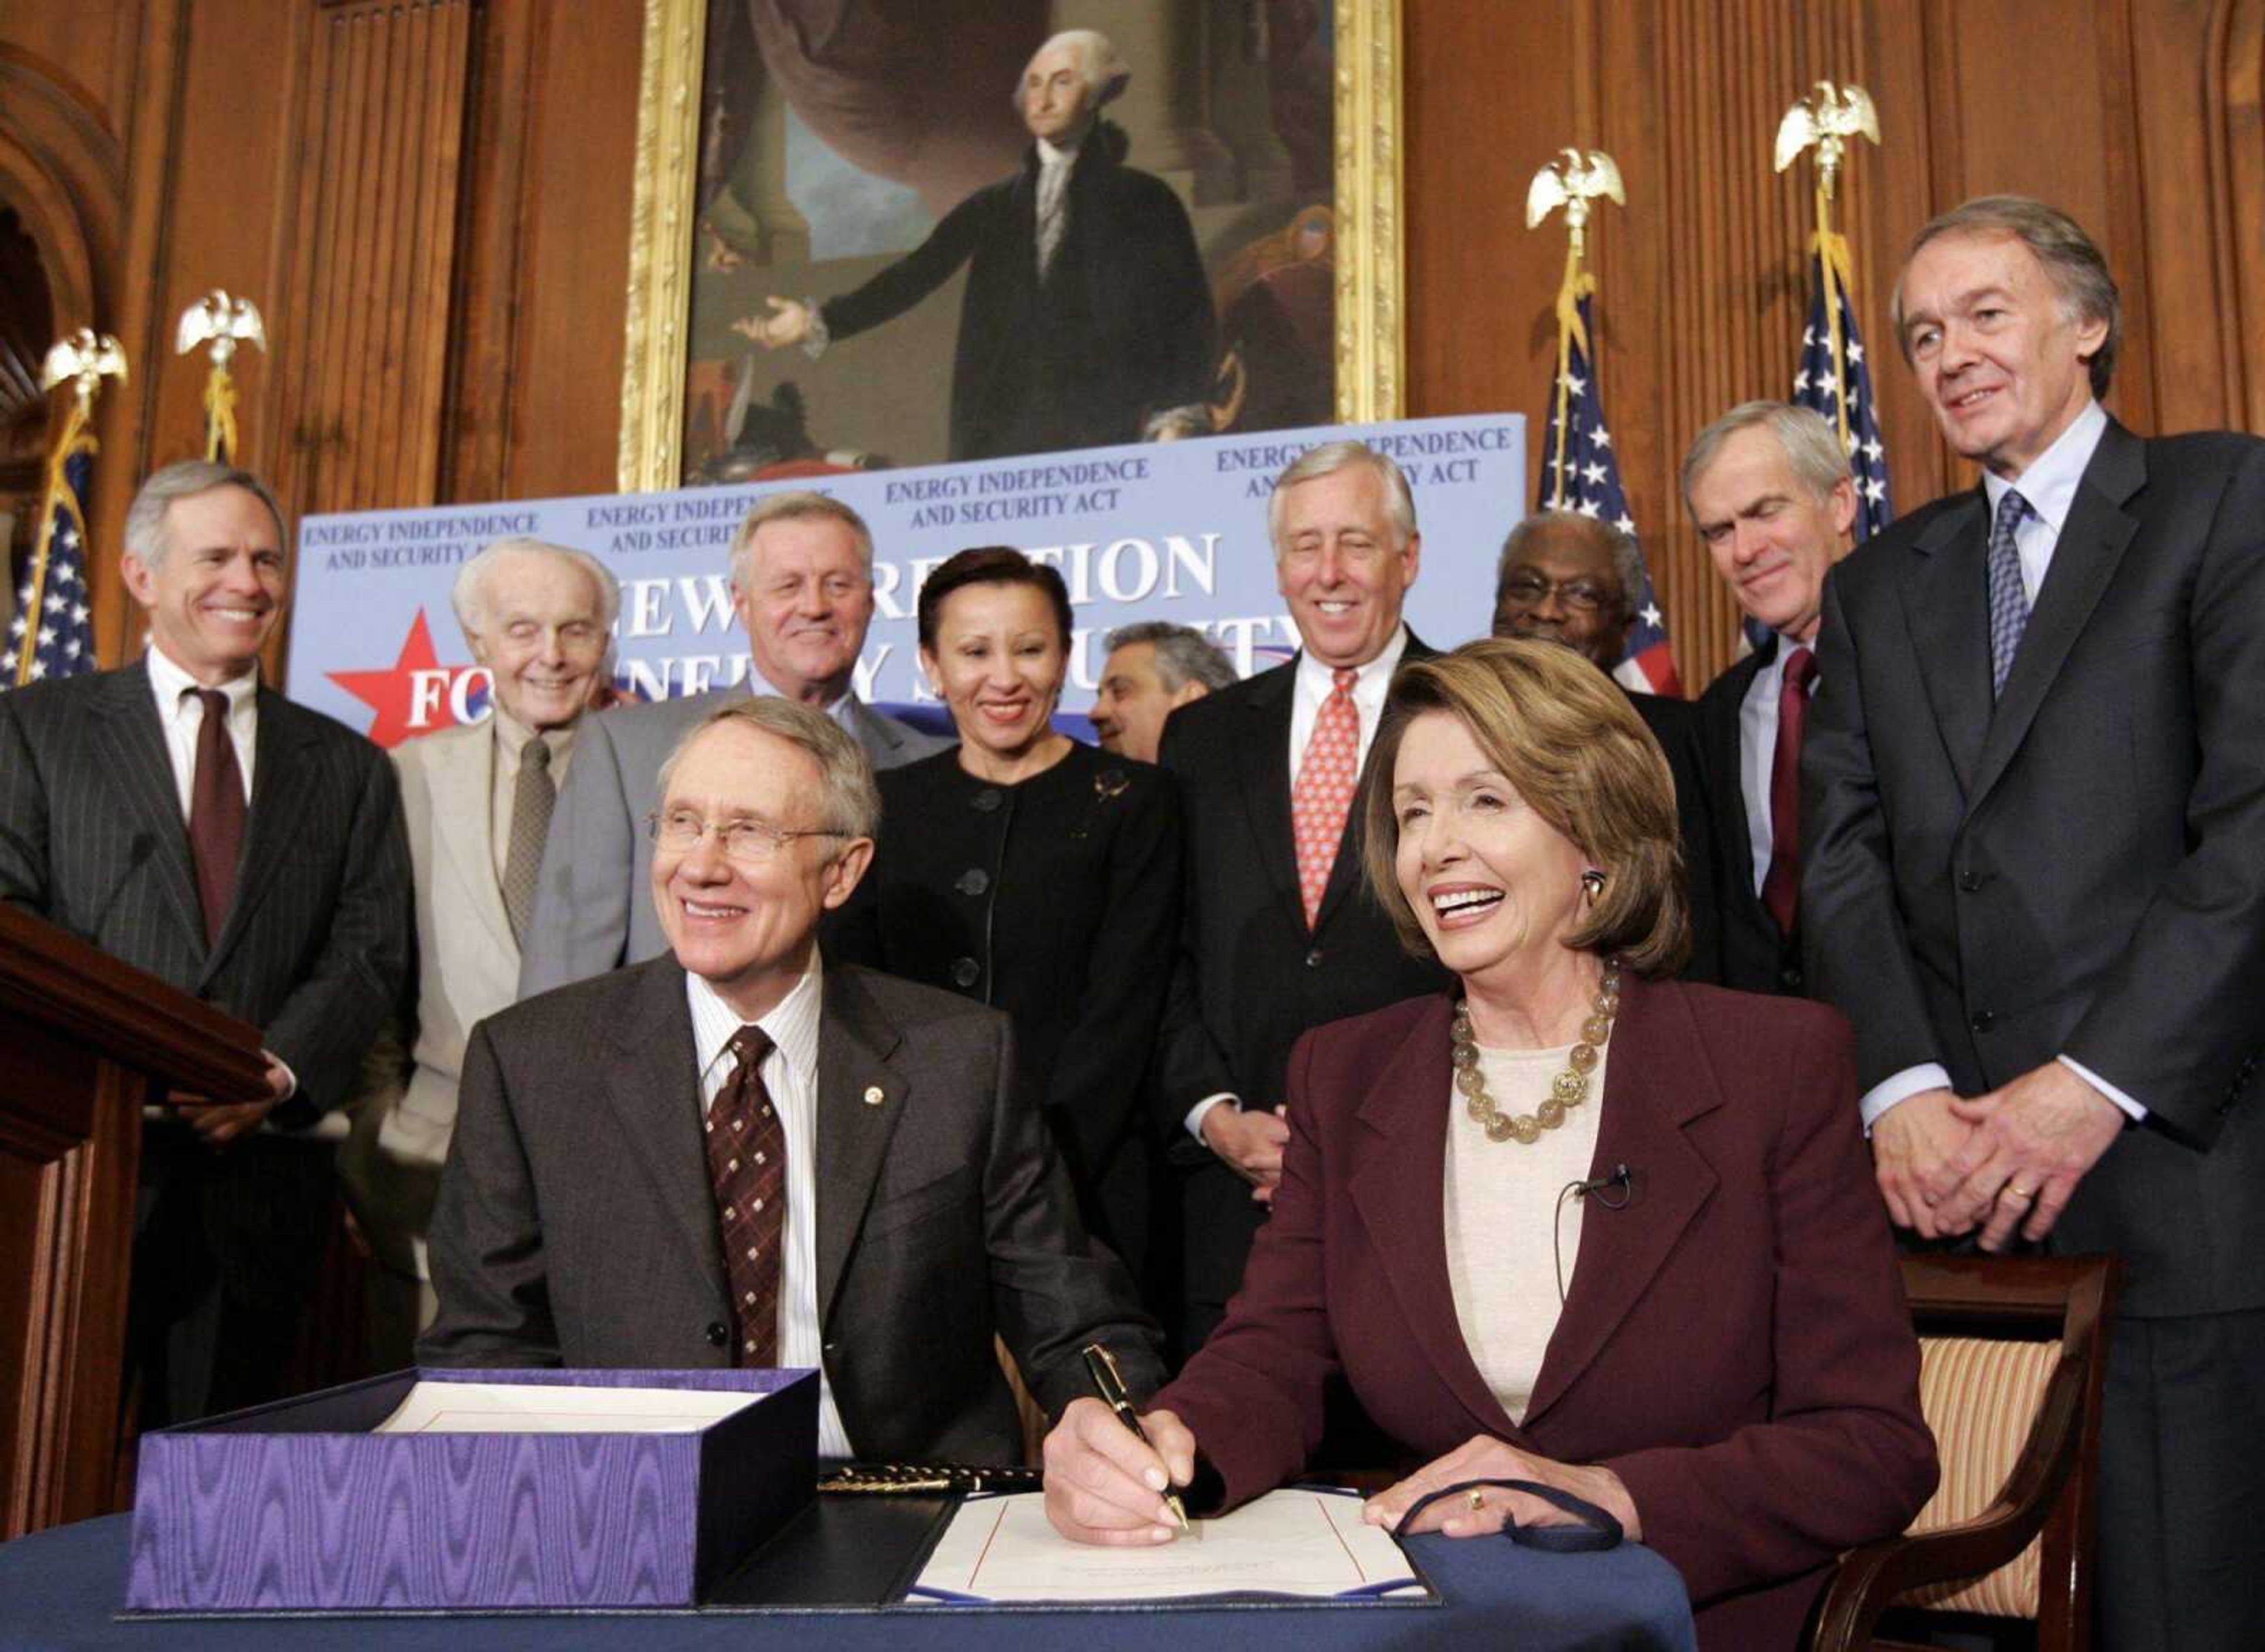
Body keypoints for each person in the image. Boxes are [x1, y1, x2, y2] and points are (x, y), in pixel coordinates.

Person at [1045, 638, 1935, 1648]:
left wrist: (1606, 1495)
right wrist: (1167, 1443)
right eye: (1413, 811)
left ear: (1595, 836)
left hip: (1695, 1619)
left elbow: (1873, 1447)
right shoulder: (1345, 1074)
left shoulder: (1775, 1065)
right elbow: (1275, 1351)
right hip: (1430, 1618)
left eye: (1484, 801)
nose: (1434, 847)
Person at [1802, 195, 2265, 1651]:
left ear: (2086, 322)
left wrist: (2093, 1083)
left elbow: (2250, 824)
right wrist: (1901, 1091)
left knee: (2181, 1604)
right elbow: (1838, 859)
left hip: (2171, 1177)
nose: (1947, 355)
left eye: (1983, 314)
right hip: (1949, 1214)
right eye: (1921, 334)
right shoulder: (1880, 582)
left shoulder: (2220, 500)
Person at [423, 697, 1161, 1462]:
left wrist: (1127, 1429)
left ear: (842, 872)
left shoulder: (960, 1058)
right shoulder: (534, 1062)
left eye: (750, 831)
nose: (702, 866)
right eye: (682, 822)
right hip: (634, 1511)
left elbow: (1069, 1313)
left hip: (903, 1511)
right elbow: (487, 1351)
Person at [0, 460, 410, 1426]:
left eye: (266, 558)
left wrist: (267, 1075)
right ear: (142, 577)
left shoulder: (347, 764)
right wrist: (133, 1067)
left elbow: (369, 952)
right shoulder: (35, 730)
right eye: (217, 555)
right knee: (44, 1474)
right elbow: (11, 921)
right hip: (76, 1170)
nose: (250, 580)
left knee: (222, 1502)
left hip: (259, 1187)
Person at [1155, 440, 1449, 1353]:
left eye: (1356, 544)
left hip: (1429, 1191)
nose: (1328, 573)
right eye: (1304, 545)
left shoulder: (1474, 712)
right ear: (1279, 564)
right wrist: (1216, 1116)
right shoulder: (1200, 738)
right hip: (1234, 1209)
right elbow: (1164, 956)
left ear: (1408, 559)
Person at [826, 550, 1179, 1278]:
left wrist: (1029, 1165)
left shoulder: (1135, 800)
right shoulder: (886, 805)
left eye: (1030, 648)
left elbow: (1124, 1010)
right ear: (931, 665)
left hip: (1090, 1186)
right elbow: (853, 996)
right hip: (907, 1184)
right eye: (974, 651)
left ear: (1064, 657)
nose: (1005, 678)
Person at [340, 537, 619, 1368]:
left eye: (577, 629)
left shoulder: (660, 770)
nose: (551, 655)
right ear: (478, 643)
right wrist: (369, 1141)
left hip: (609, 1180)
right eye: (523, 628)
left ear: (606, 639)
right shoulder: (406, 774)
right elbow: (373, 977)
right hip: (427, 1175)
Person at [518, 491, 944, 995]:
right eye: (788, 585)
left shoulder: (933, 766)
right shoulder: (626, 750)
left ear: (871, 602)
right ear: (740, 603)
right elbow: (568, 975)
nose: (814, 606)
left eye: (838, 584)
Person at [738, 29, 1216, 462]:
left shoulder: (1146, 200)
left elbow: (1187, 311)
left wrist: (1176, 415)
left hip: (1107, 428)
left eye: (1063, 82)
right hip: (1001, 432)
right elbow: (914, 277)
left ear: (1095, 94)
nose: (1043, 99)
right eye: (1034, 83)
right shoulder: (994, 205)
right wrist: (817, 321)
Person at [1492, 510, 1717, 983]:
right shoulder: (1451, 730)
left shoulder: (1682, 740)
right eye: (1526, 587)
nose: (1547, 610)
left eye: (1582, 595)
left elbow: (1706, 914)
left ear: (1627, 628)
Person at [1679, 403, 1857, 994]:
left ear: (1840, 504)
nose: (1745, 549)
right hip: (1773, 1050)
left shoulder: (1925, 665)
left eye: (1764, 512)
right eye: (1719, 531)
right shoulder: (1721, 710)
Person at [1086, 619, 1235, 764]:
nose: (1096, 713)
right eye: (1100, 696)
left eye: (1120, 691)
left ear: (1194, 702)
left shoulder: (1252, 783)